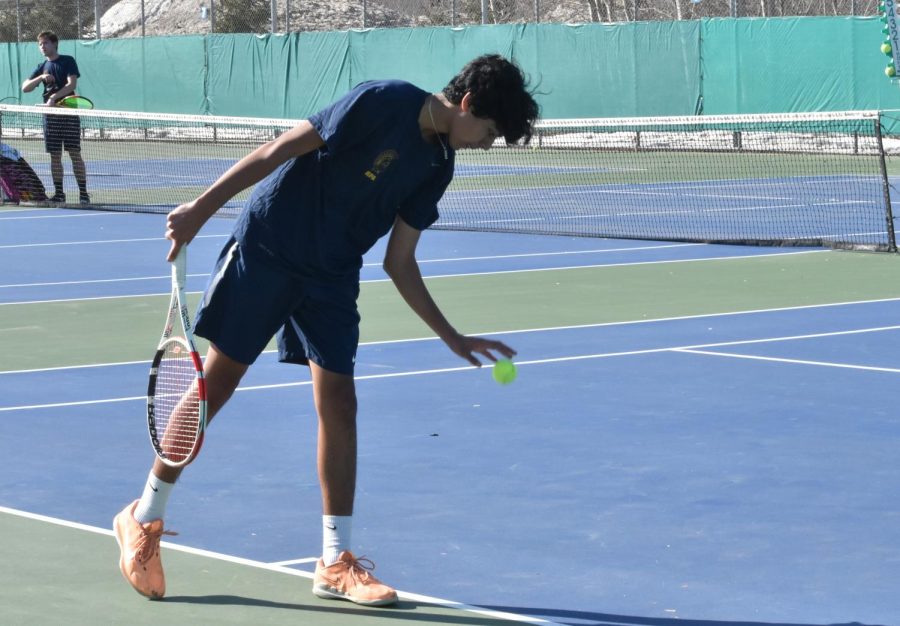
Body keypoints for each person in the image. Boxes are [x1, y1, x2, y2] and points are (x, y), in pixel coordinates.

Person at [113, 54, 539, 606]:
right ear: (467, 106)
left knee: (340, 404)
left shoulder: (438, 167)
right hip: (269, 249)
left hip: (333, 276)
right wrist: (201, 208)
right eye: (489, 131)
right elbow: (276, 151)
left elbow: (399, 261)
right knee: (214, 388)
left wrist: (451, 336)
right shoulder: (382, 99)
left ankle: (335, 561)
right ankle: (142, 517)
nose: (486, 143)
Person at [20, 30, 90, 204]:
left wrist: (53, 97)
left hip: (68, 114)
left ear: (54, 44)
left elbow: (71, 84)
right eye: (40, 44)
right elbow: (25, 88)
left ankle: (83, 194)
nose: (43, 47)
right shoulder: (42, 66)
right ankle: (59, 194)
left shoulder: (67, 61)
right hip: (50, 117)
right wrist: (41, 77)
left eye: (46, 43)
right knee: (55, 156)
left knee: (74, 153)